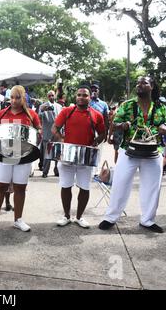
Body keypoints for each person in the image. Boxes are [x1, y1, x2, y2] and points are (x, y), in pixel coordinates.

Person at [99, 76, 166, 233]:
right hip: (129, 151)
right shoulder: (128, 105)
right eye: (138, 83)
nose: (139, 85)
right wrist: (123, 125)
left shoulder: (160, 107)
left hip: (153, 152)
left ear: (152, 86)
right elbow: (114, 123)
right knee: (120, 183)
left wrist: (165, 127)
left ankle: (147, 220)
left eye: (144, 83)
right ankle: (111, 217)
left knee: (152, 187)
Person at [0, 85, 42, 232]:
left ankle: (18, 220)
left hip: (23, 154)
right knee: (0, 186)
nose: (14, 101)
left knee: (20, 188)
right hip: (4, 154)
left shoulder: (31, 115)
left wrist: (38, 133)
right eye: (12, 97)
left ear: (23, 98)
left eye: (18, 97)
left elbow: (38, 129)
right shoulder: (1, 114)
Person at [51, 85, 106, 229]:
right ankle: (66, 216)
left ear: (90, 97)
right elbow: (54, 128)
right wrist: (61, 139)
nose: (81, 97)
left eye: (85, 95)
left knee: (84, 188)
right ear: (76, 97)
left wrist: (95, 142)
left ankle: (79, 217)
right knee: (65, 186)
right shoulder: (67, 111)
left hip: (85, 158)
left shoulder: (96, 115)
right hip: (67, 156)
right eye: (79, 95)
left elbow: (102, 134)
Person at [39, 90, 63, 177]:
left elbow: (62, 119)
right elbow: (39, 117)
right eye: (49, 96)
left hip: (58, 134)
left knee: (58, 154)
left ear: (55, 96)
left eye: (52, 95)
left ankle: (57, 171)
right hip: (47, 133)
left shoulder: (59, 106)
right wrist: (42, 111)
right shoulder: (43, 106)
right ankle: (45, 172)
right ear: (47, 97)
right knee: (47, 155)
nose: (51, 97)